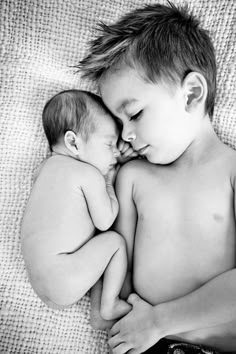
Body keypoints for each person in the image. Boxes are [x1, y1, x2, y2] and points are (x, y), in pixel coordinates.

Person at [78, 2, 236, 354]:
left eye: (133, 114)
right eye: (118, 124)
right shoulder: (133, 180)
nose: (126, 135)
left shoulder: (231, 172)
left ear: (192, 94)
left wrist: (160, 320)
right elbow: (114, 288)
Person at [20, 89, 137, 322]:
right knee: (114, 242)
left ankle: (100, 306)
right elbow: (105, 221)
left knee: (97, 249)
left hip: (39, 281)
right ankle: (109, 304)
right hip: (65, 275)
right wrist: (109, 180)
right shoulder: (89, 176)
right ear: (73, 142)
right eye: (109, 144)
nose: (115, 153)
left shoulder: (44, 169)